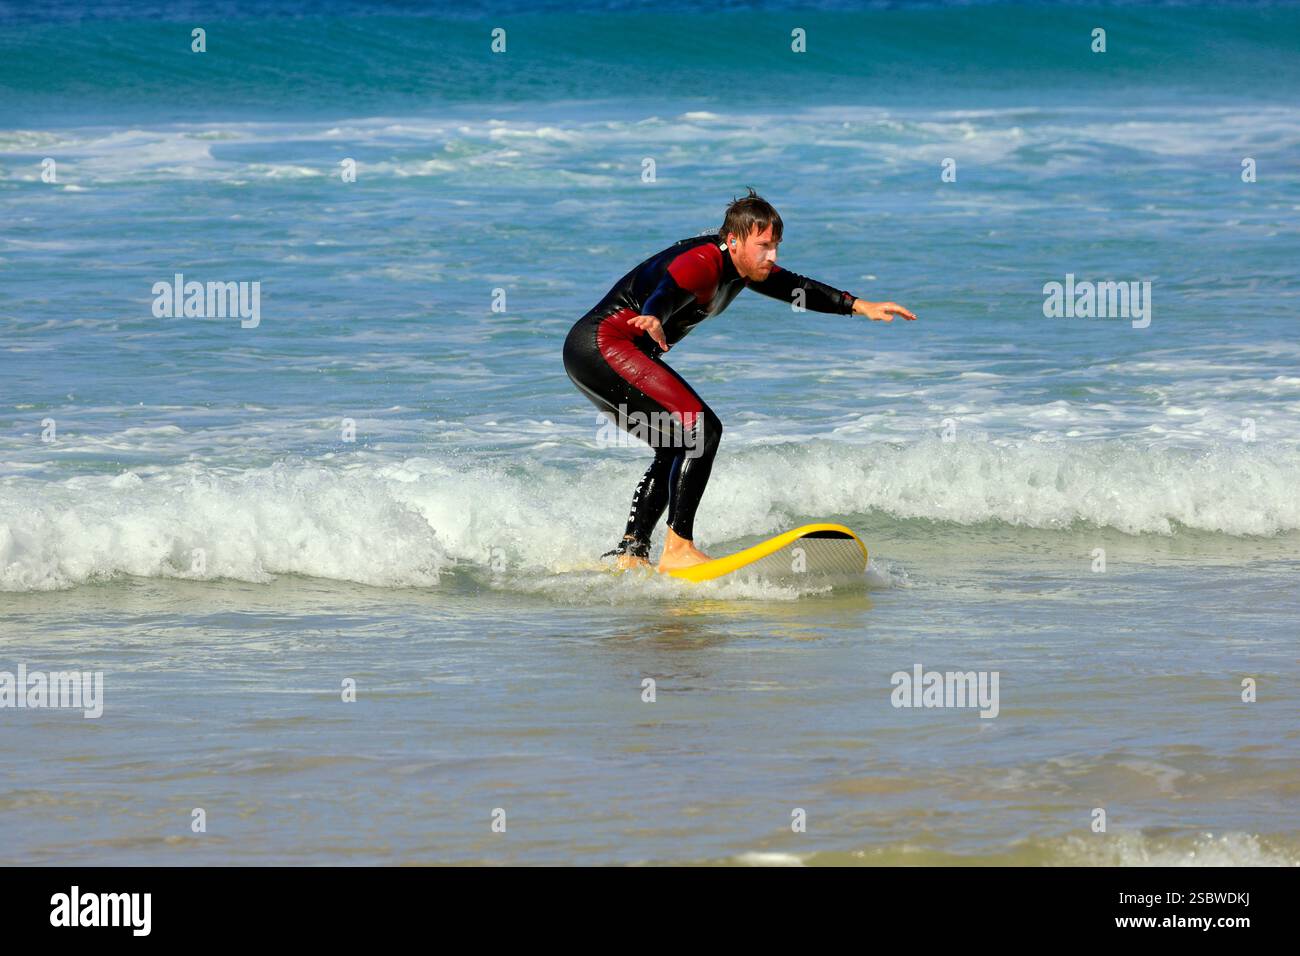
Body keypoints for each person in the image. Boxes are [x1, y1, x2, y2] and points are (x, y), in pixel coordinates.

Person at [562, 189, 917, 572]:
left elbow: (795, 287)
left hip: (590, 354)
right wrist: (654, 315)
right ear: (733, 241)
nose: (773, 256)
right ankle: (678, 549)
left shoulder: (742, 268)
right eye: (764, 246)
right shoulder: (702, 262)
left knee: (676, 443)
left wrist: (859, 306)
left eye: (776, 246)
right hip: (604, 345)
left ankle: (632, 552)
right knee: (702, 429)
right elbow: (668, 287)